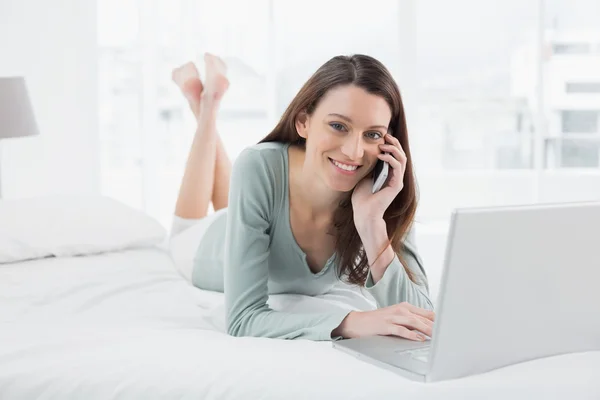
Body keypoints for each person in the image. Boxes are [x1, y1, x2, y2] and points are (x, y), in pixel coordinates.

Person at [169, 53, 435, 342]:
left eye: (372, 134)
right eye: (338, 126)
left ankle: (204, 101)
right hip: (204, 248)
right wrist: (351, 322)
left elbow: (421, 317)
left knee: (238, 201)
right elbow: (243, 319)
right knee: (186, 225)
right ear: (303, 122)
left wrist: (372, 225)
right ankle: (206, 107)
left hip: (252, 217)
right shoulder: (258, 166)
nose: (354, 152)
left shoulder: (387, 190)